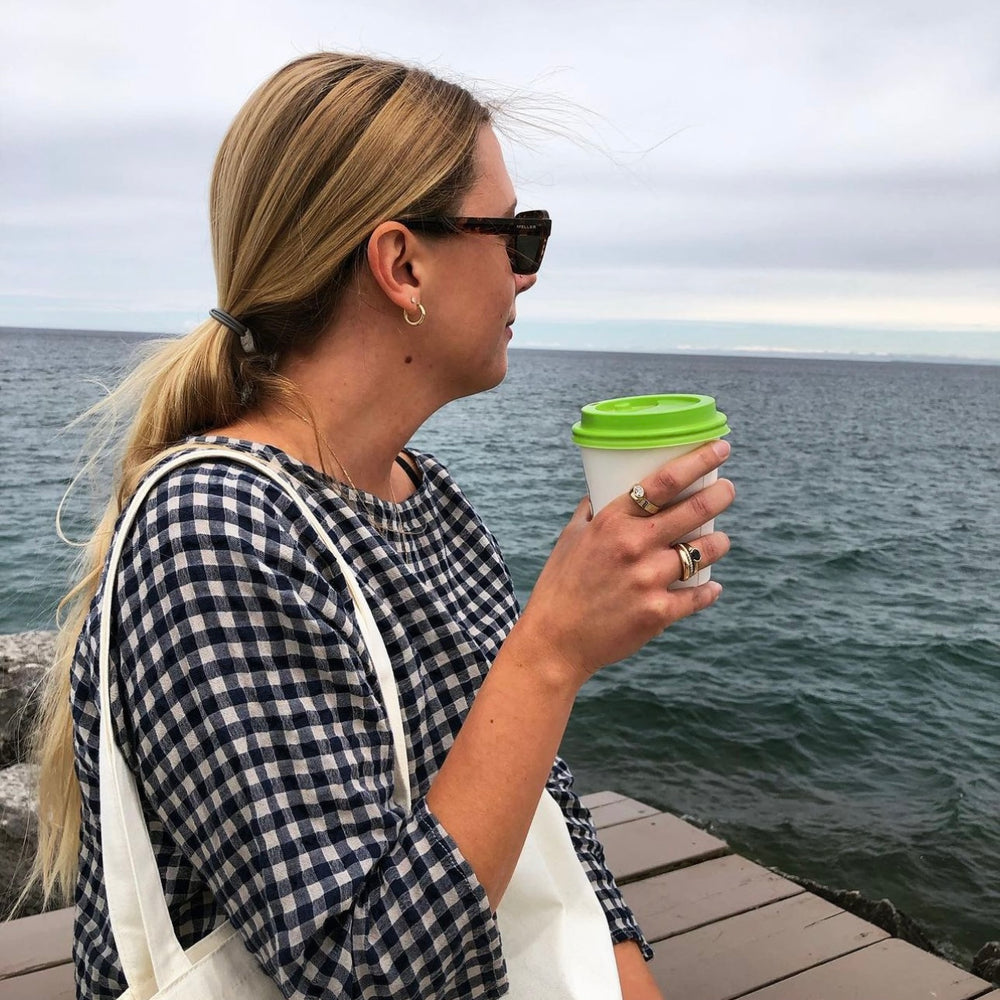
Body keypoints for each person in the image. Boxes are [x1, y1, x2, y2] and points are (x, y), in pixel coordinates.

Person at [30, 52, 734, 999]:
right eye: (517, 235)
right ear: (403, 263)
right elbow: (361, 977)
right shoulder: (210, 532)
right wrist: (553, 650)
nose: (528, 276)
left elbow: (544, 821)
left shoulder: (428, 498)